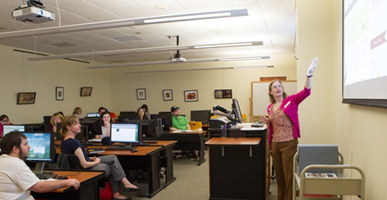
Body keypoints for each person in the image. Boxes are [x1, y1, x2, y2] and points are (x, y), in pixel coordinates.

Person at [259, 57, 318, 200]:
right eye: (275, 87)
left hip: (288, 143)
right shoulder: (270, 107)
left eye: (280, 86)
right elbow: (273, 125)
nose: (278, 88)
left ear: (282, 90)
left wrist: (308, 75)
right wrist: (267, 122)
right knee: (279, 178)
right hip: (275, 144)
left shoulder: (291, 101)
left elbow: (306, 92)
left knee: (289, 177)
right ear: (270, 92)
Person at [60, 116, 137, 200]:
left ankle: (123, 186)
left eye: (79, 123)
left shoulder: (64, 141)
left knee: (113, 158)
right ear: (68, 127)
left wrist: (92, 159)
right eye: (76, 124)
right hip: (87, 168)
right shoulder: (74, 143)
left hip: (79, 167)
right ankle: (119, 191)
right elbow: (84, 164)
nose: (80, 125)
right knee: (113, 167)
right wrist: (96, 162)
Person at [0, 132, 80, 200]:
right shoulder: (15, 164)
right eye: (25, 144)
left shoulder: (3, 160)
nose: (29, 147)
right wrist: (67, 182)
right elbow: (39, 187)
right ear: (15, 149)